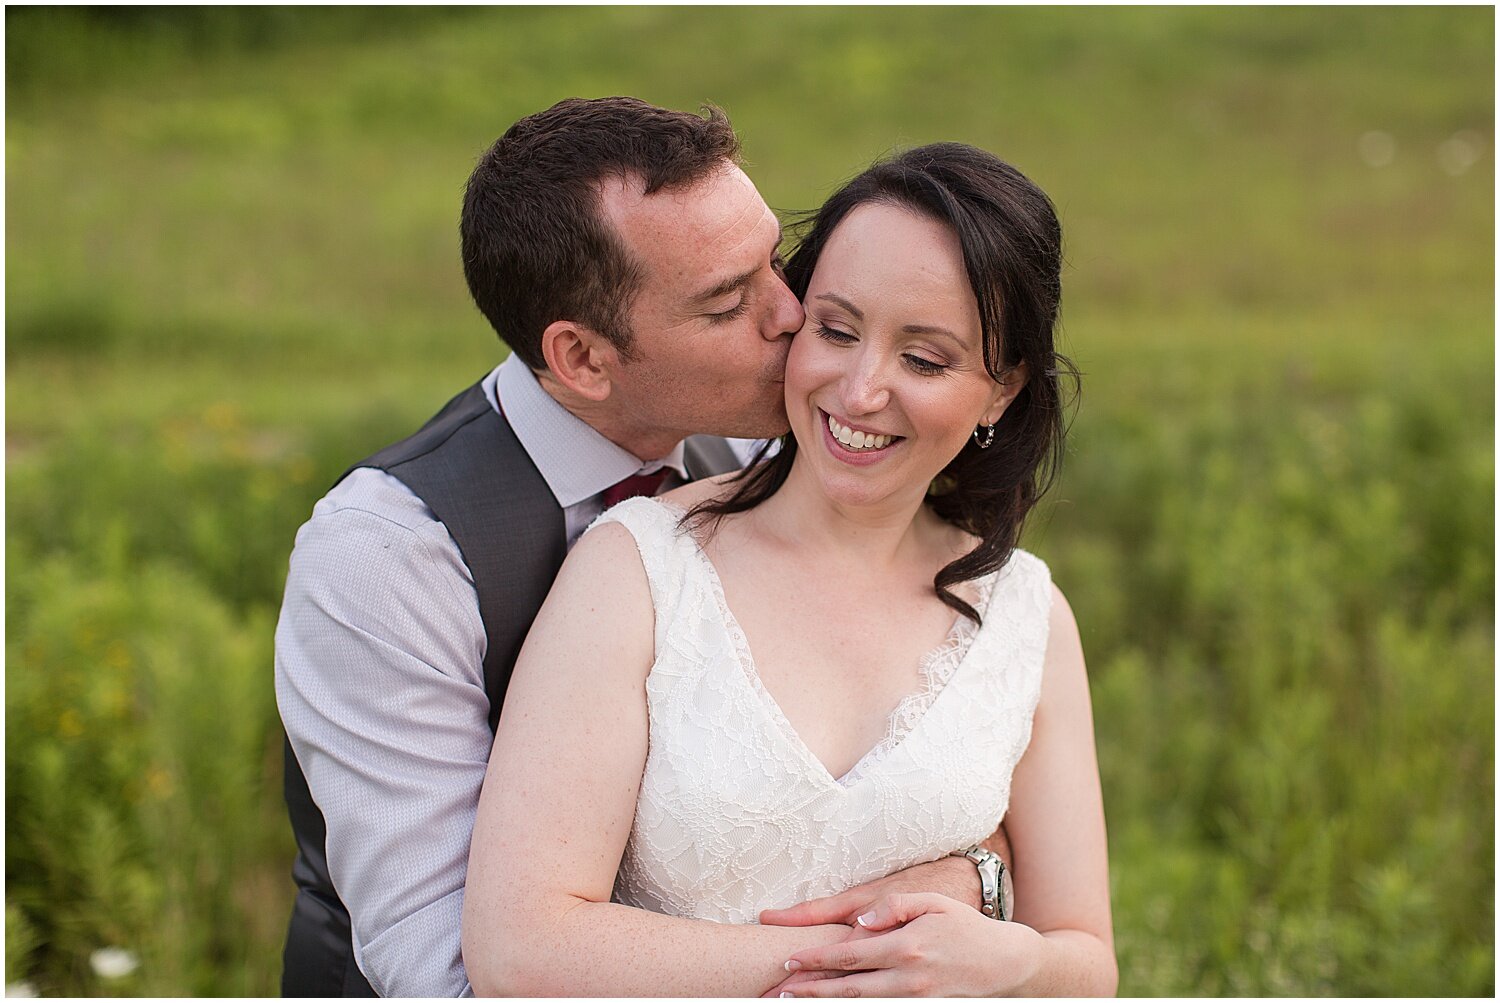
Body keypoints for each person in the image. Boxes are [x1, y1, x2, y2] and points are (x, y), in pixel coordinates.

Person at [275, 98, 1014, 998]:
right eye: (727, 301)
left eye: (773, 263)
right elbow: (450, 972)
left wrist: (966, 872)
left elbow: (959, 723)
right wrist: (853, 965)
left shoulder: (792, 446)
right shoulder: (388, 558)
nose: (792, 314)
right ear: (583, 359)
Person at [461, 142, 1116, 997]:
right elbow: (521, 948)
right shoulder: (638, 571)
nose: (860, 389)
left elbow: (1087, 960)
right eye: (835, 330)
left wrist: (1013, 956)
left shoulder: (1025, 614)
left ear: (1001, 390)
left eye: (924, 359)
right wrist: (864, 963)